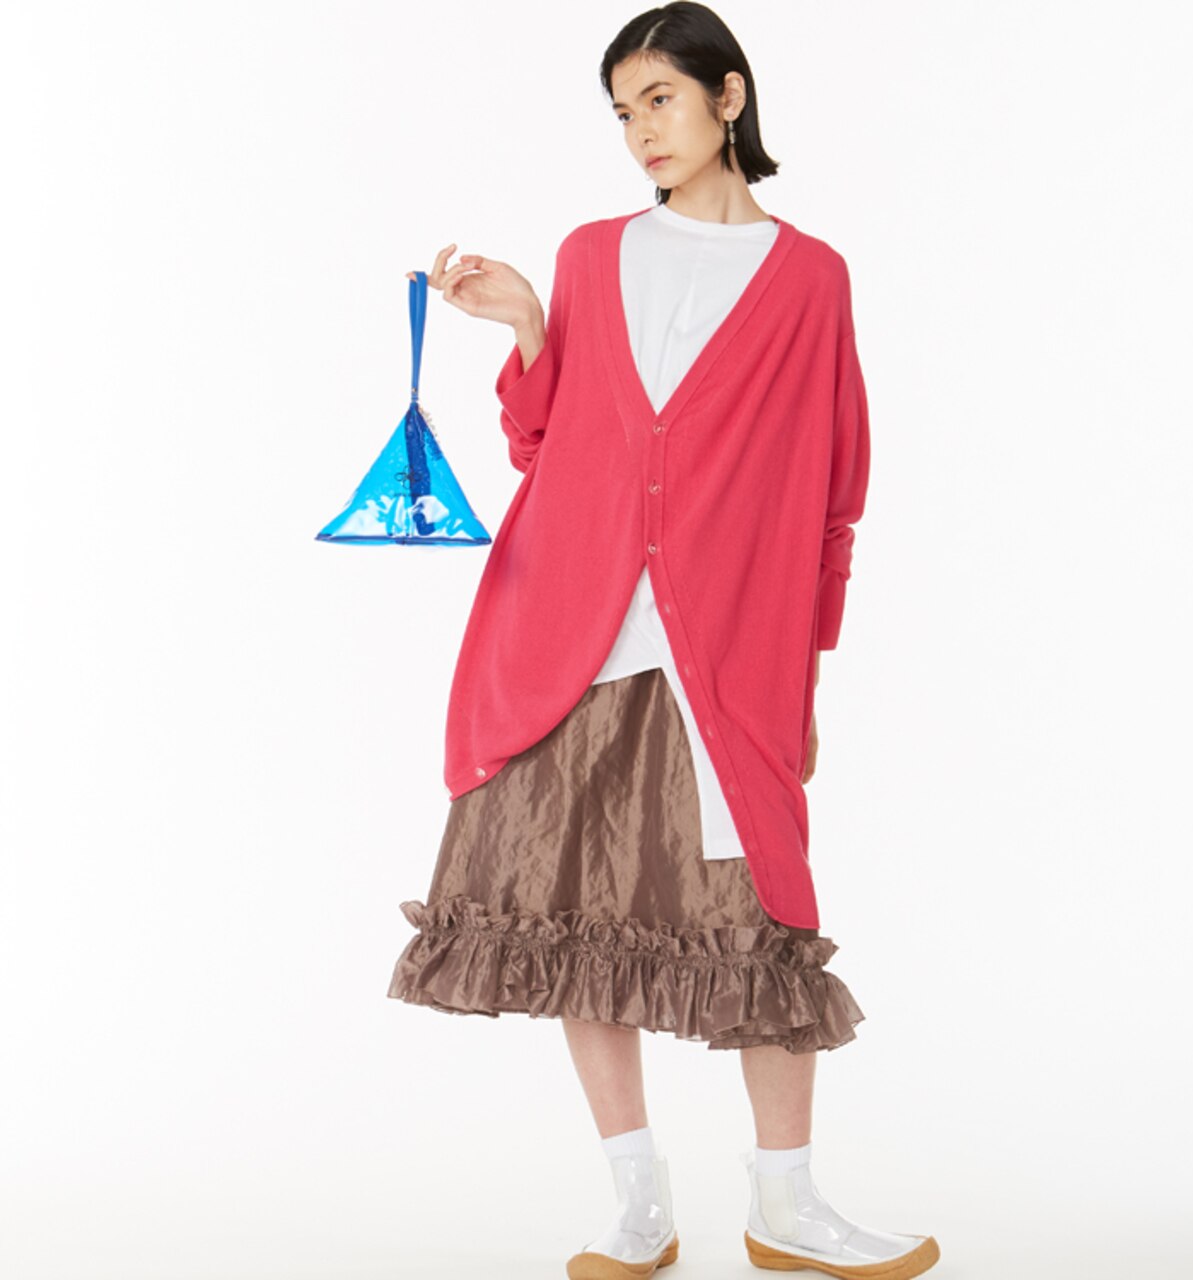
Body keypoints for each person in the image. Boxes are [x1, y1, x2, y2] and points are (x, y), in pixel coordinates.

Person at [388, 5, 939, 1277]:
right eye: (622, 110)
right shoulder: (591, 255)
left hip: (729, 652)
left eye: (660, 99)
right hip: (566, 633)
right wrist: (529, 325)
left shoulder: (810, 279)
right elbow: (546, 445)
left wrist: (805, 667)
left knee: (761, 917)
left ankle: (785, 1203)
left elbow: (832, 493)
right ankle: (636, 1201)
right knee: (579, 914)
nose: (640, 130)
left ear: (727, 97)